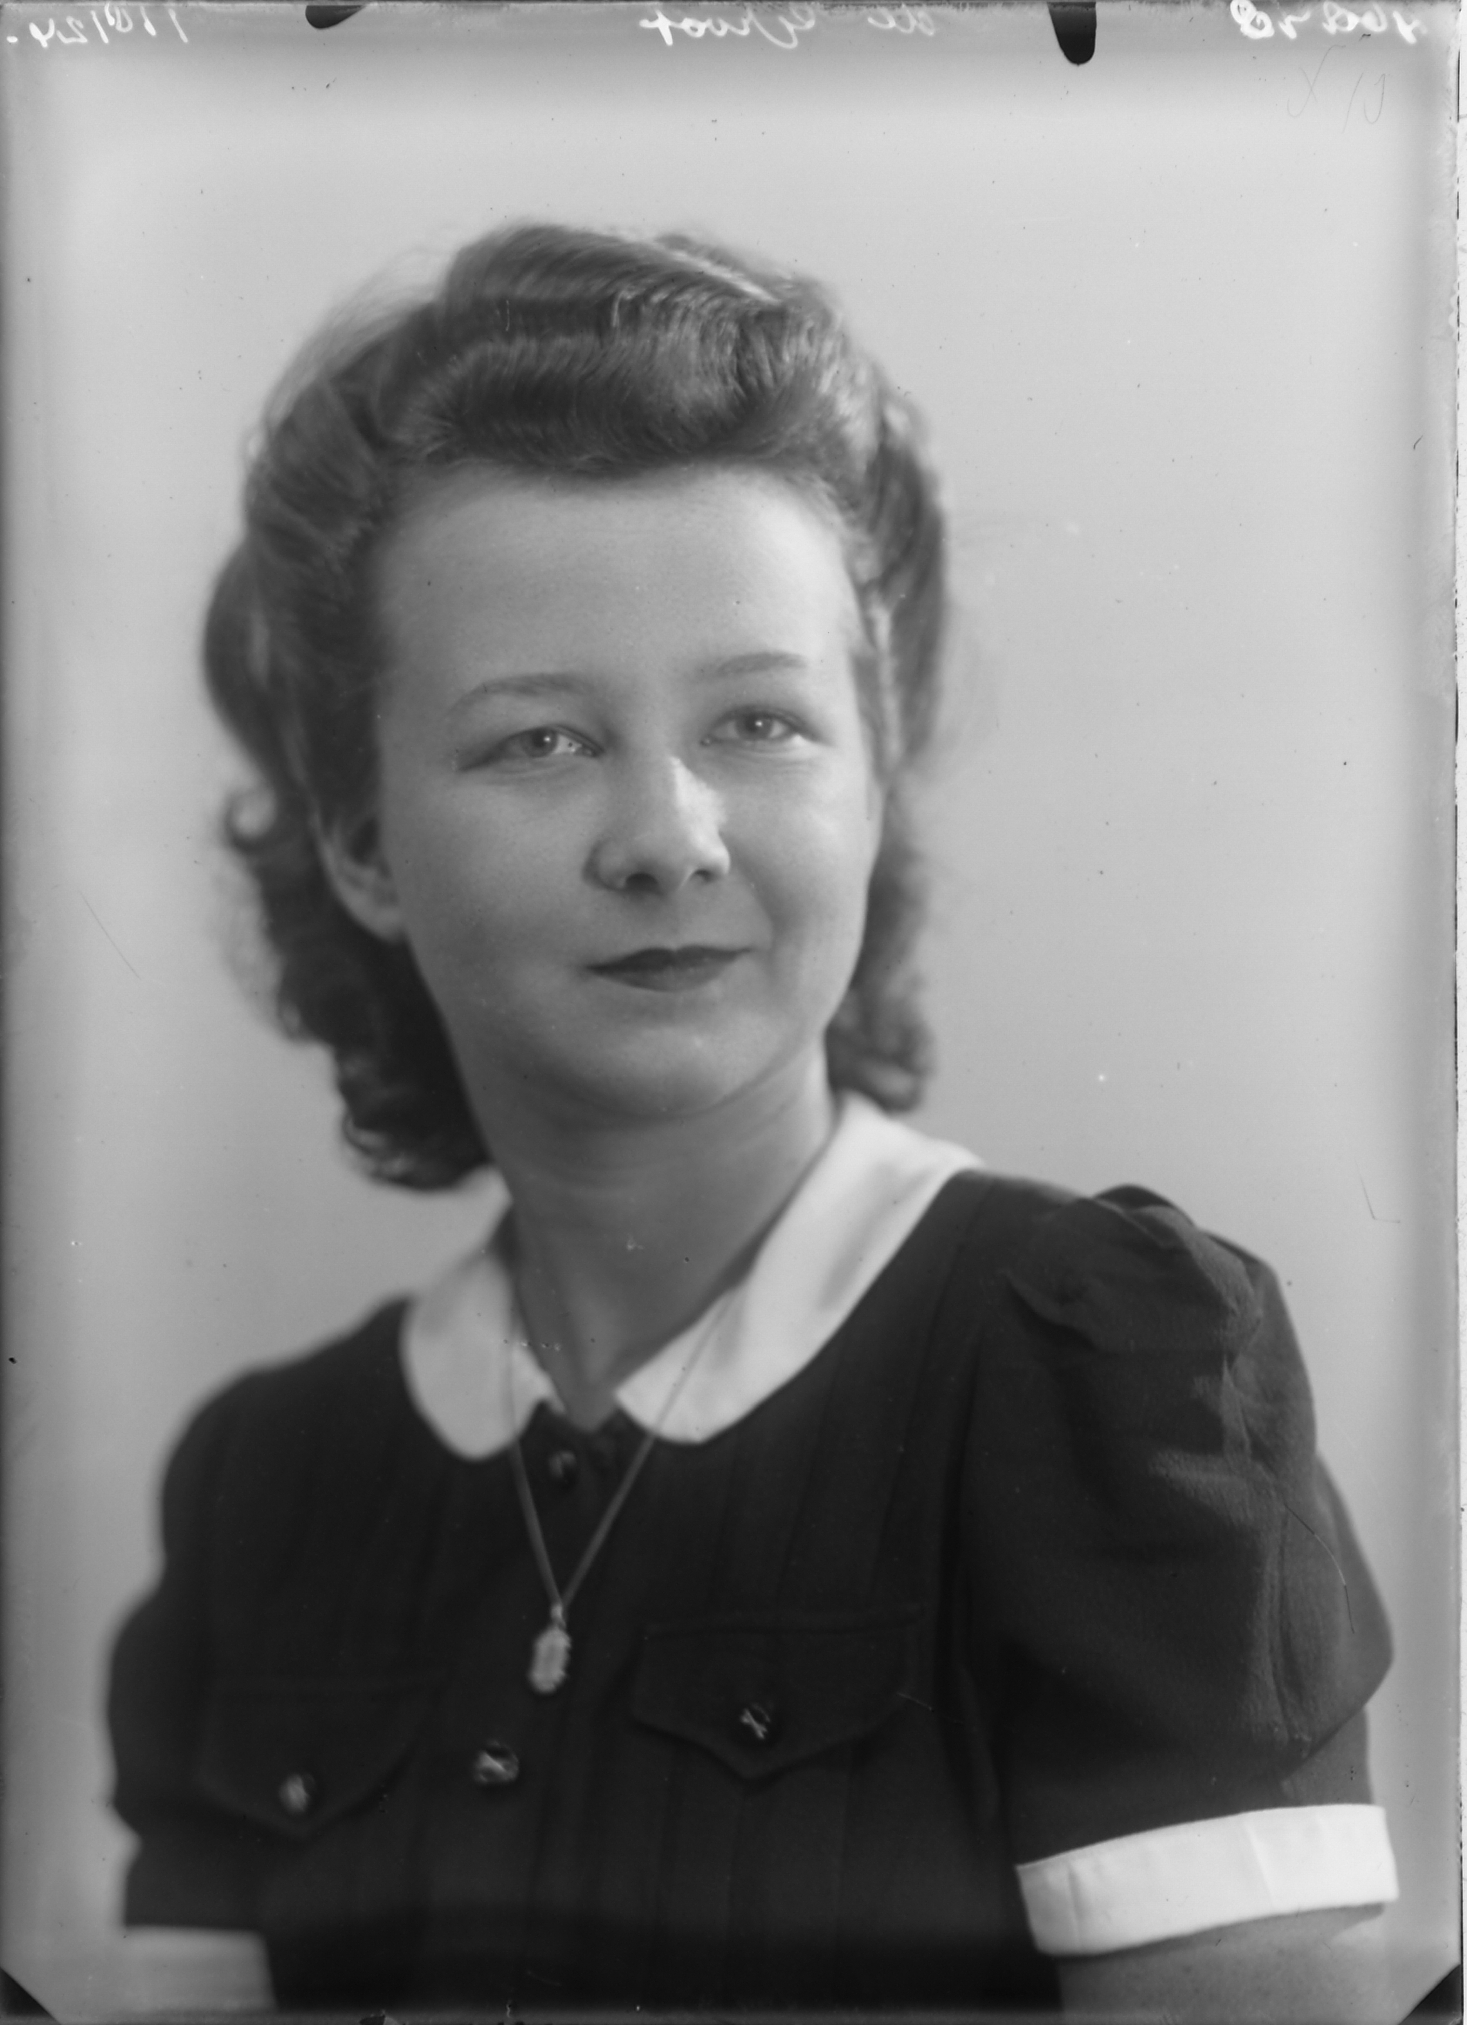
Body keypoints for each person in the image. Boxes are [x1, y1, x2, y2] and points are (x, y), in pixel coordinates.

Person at [108, 223, 1400, 2019]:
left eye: (761, 723)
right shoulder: (270, 1487)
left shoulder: (1105, 1377)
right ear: (359, 842)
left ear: (874, 784)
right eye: (540, 740)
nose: (669, 836)